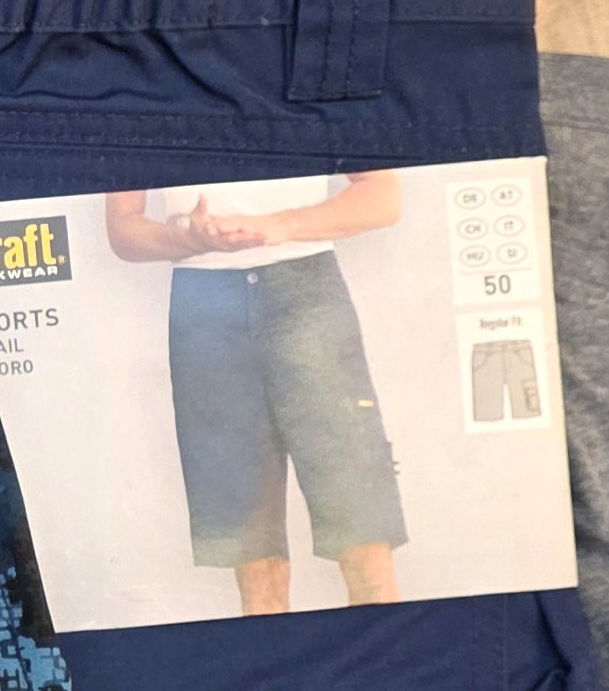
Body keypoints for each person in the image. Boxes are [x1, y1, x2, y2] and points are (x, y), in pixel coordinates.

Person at [105, 174, 409, 611]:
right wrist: (187, 239)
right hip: (205, 302)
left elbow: (383, 196)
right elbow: (123, 227)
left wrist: (278, 225)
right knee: (256, 566)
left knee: (365, 544)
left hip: (306, 290)